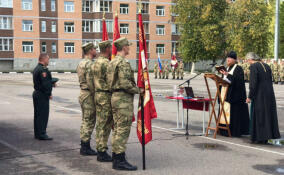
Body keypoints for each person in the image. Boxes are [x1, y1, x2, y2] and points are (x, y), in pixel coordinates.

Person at [107, 37, 142, 171]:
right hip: (122, 99)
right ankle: (119, 160)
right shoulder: (122, 63)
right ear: (124, 47)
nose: (129, 48)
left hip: (115, 97)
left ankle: (117, 157)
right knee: (122, 130)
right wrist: (139, 90)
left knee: (117, 129)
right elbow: (125, 83)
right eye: (128, 46)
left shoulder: (112, 62)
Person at [245, 52, 280, 144]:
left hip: (259, 95)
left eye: (248, 60)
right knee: (267, 115)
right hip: (269, 94)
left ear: (250, 59)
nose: (248, 62)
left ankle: (259, 137)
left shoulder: (254, 67)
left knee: (260, 116)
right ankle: (266, 136)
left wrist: (249, 96)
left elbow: (253, 83)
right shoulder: (266, 65)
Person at [219, 51, 250, 137]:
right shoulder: (227, 68)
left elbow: (238, 82)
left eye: (230, 58)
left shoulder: (238, 68)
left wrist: (228, 75)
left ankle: (233, 131)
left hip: (235, 96)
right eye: (227, 58)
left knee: (233, 115)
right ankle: (223, 130)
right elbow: (225, 80)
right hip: (225, 94)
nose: (228, 59)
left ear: (234, 60)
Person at [91, 40, 113, 162]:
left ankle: (100, 148)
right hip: (105, 96)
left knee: (100, 124)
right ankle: (102, 151)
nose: (111, 50)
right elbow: (111, 81)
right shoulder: (106, 63)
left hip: (97, 95)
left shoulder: (96, 62)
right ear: (107, 49)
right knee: (105, 124)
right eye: (110, 47)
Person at [77, 42, 97, 156]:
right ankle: (85, 147)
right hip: (89, 94)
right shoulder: (89, 64)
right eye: (94, 48)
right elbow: (91, 83)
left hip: (83, 93)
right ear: (90, 51)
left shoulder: (81, 63)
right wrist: (97, 95)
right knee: (89, 121)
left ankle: (84, 145)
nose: (96, 50)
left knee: (86, 120)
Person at [33, 54, 55, 140]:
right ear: (44, 59)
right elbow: (45, 84)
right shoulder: (43, 70)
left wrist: (51, 82)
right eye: (48, 59)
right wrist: (49, 93)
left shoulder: (37, 68)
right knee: (43, 115)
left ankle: (37, 133)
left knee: (38, 115)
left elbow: (42, 81)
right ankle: (42, 133)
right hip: (42, 95)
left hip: (37, 93)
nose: (48, 61)